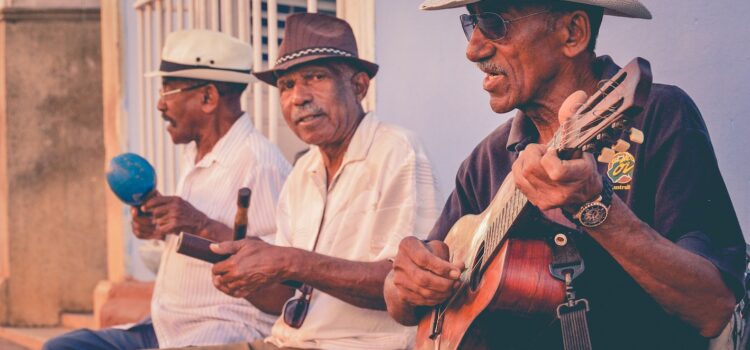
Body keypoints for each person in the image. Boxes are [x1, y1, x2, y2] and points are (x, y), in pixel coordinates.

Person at [384, 0, 746, 349]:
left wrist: (596, 206)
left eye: (494, 22)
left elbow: (713, 307)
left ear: (573, 32)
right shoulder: (486, 160)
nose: (473, 49)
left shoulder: (660, 117)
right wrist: (406, 281)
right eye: (471, 24)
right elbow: (404, 306)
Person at [209, 13, 443, 350]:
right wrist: (248, 281)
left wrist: (287, 259)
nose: (297, 97)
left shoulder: (398, 151)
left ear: (359, 86)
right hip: (285, 341)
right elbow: (287, 298)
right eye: (286, 85)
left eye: (315, 77)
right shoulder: (303, 173)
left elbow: (406, 285)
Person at [44, 29, 291, 349]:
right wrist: (159, 228)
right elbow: (194, 231)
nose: (160, 104)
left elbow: (280, 271)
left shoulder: (261, 164)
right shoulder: (196, 152)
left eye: (168, 91)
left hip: (223, 329)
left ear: (208, 98)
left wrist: (198, 223)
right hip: (166, 326)